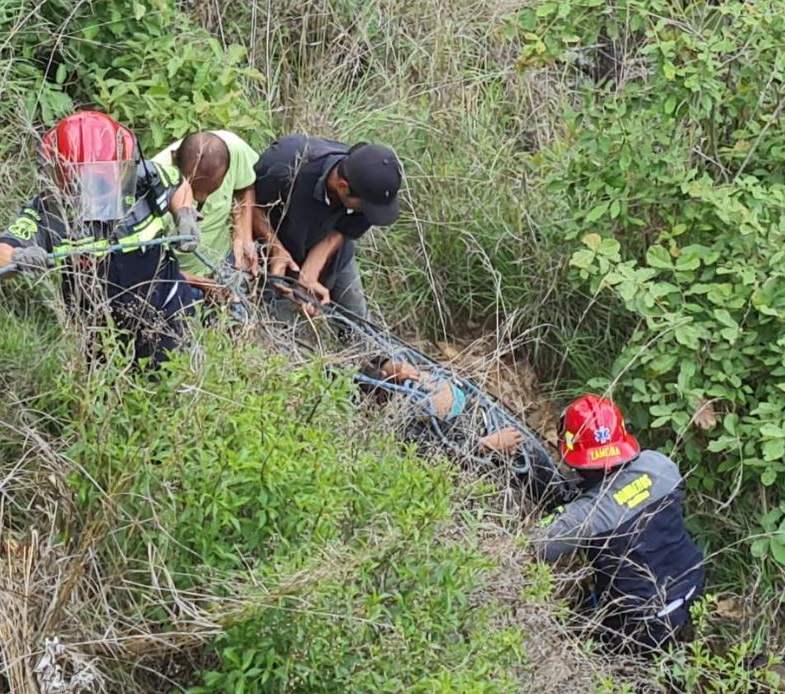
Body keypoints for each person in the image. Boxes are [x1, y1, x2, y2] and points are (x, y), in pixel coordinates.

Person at [0, 110, 201, 365]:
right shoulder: (48, 212)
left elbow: (179, 185)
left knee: (173, 383)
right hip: (99, 333)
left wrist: (186, 215)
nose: (96, 189)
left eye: (104, 178)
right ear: (62, 176)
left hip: (167, 312)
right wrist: (20, 258)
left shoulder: (145, 178)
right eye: (85, 181)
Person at [532, 394, 705, 655]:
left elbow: (538, 544)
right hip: (693, 582)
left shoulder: (585, 515)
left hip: (639, 623)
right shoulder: (661, 466)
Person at [252, 135, 402, 319]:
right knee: (280, 324)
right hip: (272, 245)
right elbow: (249, 205)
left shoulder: (371, 192)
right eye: (365, 208)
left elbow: (340, 232)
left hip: (329, 245)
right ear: (342, 186)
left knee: (356, 320)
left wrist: (309, 274)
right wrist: (275, 249)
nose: (368, 214)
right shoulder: (285, 165)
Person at [151, 130, 260, 297]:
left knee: (241, 315)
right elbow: (142, 264)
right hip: (173, 279)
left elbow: (244, 187)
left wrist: (243, 237)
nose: (201, 197)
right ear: (174, 162)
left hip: (224, 261)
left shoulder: (235, 150)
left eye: (212, 189)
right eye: (194, 188)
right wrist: (195, 282)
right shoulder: (152, 184)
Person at [357, 357, 524, 454]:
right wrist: (490, 444)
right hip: (489, 438)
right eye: (384, 391)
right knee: (534, 461)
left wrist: (389, 365)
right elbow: (440, 453)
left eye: (386, 377)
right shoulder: (401, 426)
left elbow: (377, 357)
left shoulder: (400, 372)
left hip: (483, 406)